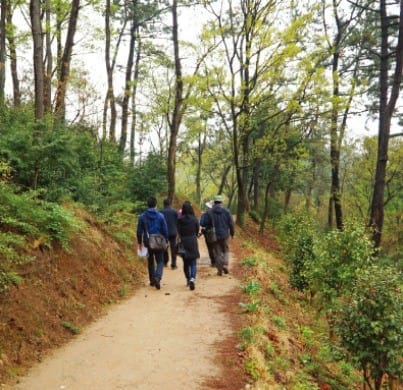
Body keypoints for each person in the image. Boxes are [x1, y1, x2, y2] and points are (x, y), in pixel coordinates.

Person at [137, 196, 169, 290]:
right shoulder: (160, 216)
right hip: (159, 241)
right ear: (155, 205)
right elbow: (165, 230)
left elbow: (139, 231)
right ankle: (157, 277)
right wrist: (166, 241)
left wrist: (140, 242)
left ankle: (152, 281)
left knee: (150, 261)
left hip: (147, 242)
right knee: (160, 261)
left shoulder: (142, 217)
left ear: (147, 205)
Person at [203, 194, 235, 276]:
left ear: (214, 202)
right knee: (225, 250)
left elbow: (205, 223)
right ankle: (225, 264)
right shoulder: (227, 211)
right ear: (221, 202)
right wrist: (232, 233)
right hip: (224, 234)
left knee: (217, 252)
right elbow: (231, 223)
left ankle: (220, 270)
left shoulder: (209, 212)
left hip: (214, 235)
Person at [176, 201, 200, 290]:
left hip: (183, 242)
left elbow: (178, 231)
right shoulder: (194, 219)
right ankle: (192, 279)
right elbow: (197, 230)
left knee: (185, 263)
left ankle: (188, 279)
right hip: (192, 241)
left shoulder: (179, 220)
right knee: (193, 262)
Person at [160, 198, 179, 269]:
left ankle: (165, 262)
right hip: (173, 232)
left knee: (164, 247)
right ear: (170, 204)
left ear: (164, 204)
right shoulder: (174, 212)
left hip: (163, 233)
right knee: (173, 248)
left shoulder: (160, 212)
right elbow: (177, 222)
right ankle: (173, 264)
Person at [200, 200, 216, 267]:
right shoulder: (218, 213)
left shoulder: (205, 214)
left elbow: (201, 223)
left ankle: (213, 262)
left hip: (208, 232)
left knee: (210, 247)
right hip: (218, 232)